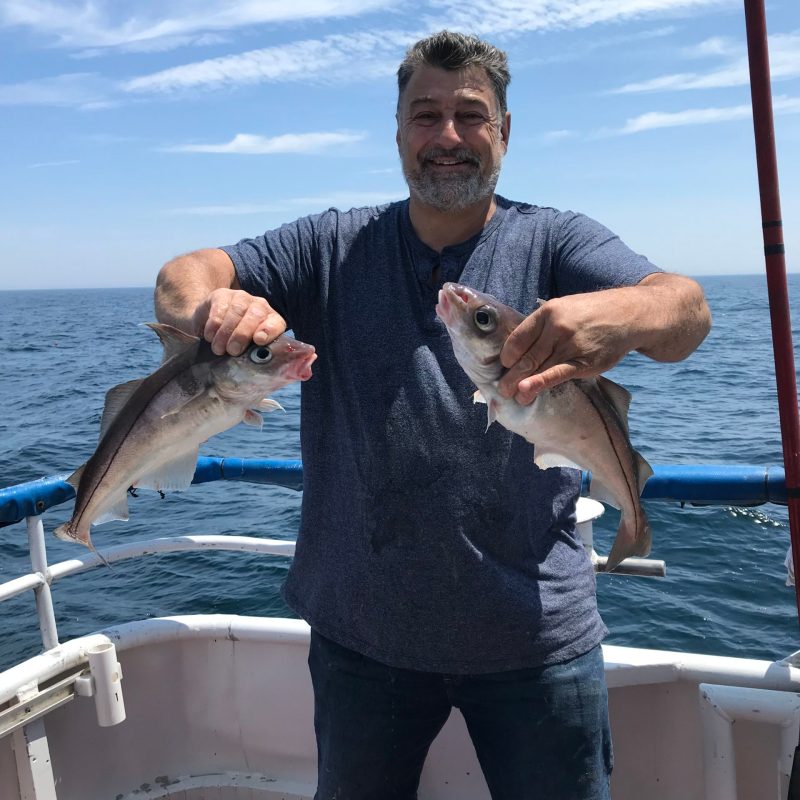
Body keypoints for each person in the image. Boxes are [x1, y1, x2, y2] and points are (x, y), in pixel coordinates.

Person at [155, 30, 711, 800]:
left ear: (505, 134)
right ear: (397, 133)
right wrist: (211, 304)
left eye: (470, 115)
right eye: (425, 115)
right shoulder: (331, 245)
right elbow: (184, 274)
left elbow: (686, 311)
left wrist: (626, 311)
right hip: (360, 637)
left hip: (537, 638)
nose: (447, 137)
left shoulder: (554, 240)